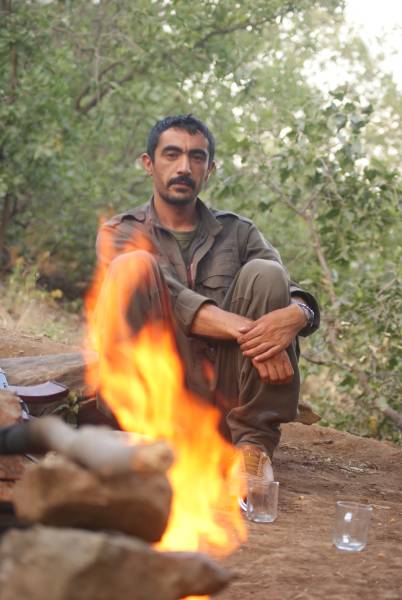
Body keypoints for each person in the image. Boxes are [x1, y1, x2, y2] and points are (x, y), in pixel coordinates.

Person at [96, 114, 320, 481]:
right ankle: (143, 436)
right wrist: (258, 333)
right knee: (132, 266)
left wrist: (298, 315)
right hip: (158, 396)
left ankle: (253, 447)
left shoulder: (238, 231)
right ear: (149, 163)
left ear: (210, 169)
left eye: (197, 157)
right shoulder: (121, 232)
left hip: (225, 400)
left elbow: (288, 289)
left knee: (267, 273)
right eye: (172, 154)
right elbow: (177, 301)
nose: (184, 167)